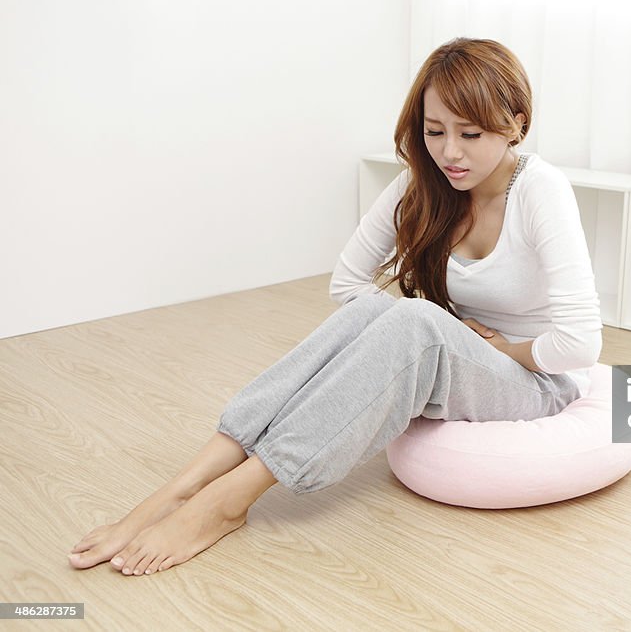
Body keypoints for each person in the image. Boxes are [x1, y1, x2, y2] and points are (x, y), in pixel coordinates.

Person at [68, 37, 602, 576]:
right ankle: (183, 485)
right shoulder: (424, 183)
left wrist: (503, 348)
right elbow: (348, 285)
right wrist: (455, 329)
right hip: (467, 359)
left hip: (538, 381)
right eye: (434, 131)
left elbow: (582, 342)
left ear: (516, 123)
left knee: (415, 319)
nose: (450, 153)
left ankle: (227, 500)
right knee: (381, 312)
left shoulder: (540, 190)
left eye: (472, 134)